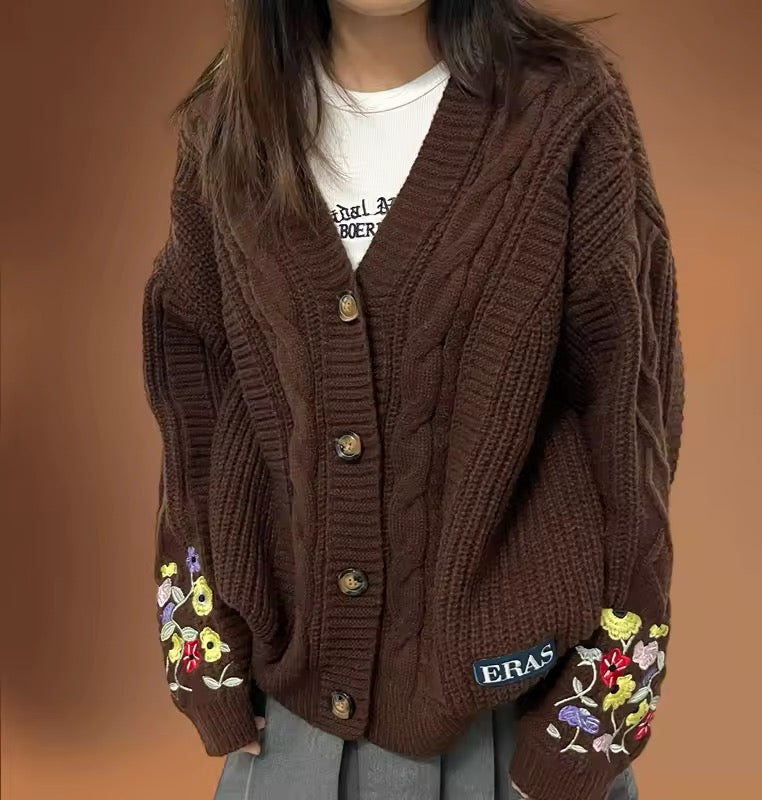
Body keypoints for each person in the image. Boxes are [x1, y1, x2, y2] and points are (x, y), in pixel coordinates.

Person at [142, 1, 684, 798]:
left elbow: (629, 410)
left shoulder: (563, 104)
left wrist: (590, 723)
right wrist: (207, 666)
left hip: (511, 720)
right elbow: (196, 400)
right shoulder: (232, 123)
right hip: (288, 727)